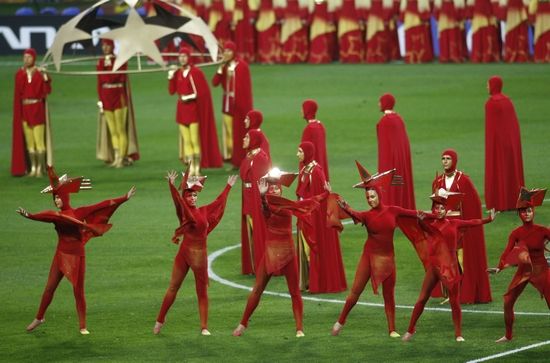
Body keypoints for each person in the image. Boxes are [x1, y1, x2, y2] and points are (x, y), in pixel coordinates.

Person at [20, 166, 135, 334]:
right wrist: (29, 215)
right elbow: (44, 216)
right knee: (49, 288)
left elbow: (101, 205)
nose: (56, 201)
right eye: (55, 198)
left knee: (78, 291)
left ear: (65, 198)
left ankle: (82, 326)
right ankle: (39, 317)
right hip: (60, 256)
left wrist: (124, 198)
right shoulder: (56, 215)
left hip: (77, 256)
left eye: (59, 197)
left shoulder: (79, 212)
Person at [331, 166, 424, 338]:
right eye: (367, 197)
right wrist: (341, 203)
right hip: (369, 256)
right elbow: (355, 214)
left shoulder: (393, 211)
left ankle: (392, 330)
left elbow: (415, 214)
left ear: (379, 195)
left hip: (387, 258)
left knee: (389, 294)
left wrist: (434, 215)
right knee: (355, 291)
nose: (370, 200)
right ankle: (340, 321)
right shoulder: (367, 215)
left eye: (372, 196)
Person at [233, 170, 320, 338]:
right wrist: (263, 197)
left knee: (294, 292)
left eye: (276, 188)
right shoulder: (266, 205)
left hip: (287, 253)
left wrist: (325, 195)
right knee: (257, 289)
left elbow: (303, 205)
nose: (273, 190)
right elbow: (266, 211)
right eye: (270, 188)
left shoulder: (286, 205)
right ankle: (242, 324)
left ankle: (299, 328)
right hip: (271, 253)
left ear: (281, 189)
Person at [402, 192, 495, 342]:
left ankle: (458, 334)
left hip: (450, 267)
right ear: (433, 210)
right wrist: (420, 222)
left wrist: (488, 219)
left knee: (454, 301)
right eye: (436, 208)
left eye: (441, 208)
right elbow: (424, 228)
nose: (439, 211)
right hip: (434, 267)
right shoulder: (430, 225)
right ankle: (410, 330)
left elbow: (472, 222)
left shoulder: (454, 223)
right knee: (422, 299)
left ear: (446, 210)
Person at [154, 169, 237, 336]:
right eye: (189, 196)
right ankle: (159, 321)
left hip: (200, 256)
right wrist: (171, 185)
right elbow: (177, 201)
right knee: (173, 287)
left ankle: (204, 327)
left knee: (202, 291)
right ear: (185, 198)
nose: (193, 198)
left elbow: (218, 203)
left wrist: (228, 186)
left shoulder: (204, 211)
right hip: (184, 254)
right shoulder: (184, 212)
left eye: (195, 196)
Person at [488, 188, 549, 343]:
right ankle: (508, 335)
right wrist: (499, 267)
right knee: (508, 302)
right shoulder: (516, 233)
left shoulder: (542, 230)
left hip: (541, 269)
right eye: (523, 211)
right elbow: (507, 252)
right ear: (519, 214)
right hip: (523, 271)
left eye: (529, 211)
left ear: (533, 211)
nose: (527, 214)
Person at [433, 149, 492, 304]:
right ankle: (451, 291)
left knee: (461, 259)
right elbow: (435, 207)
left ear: (454, 161)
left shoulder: (463, 180)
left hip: (460, 227)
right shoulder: (438, 181)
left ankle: (465, 290)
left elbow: (474, 204)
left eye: (448, 159)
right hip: (444, 228)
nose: (445, 161)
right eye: (443, 158)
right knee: (446, 260)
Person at [296, 141, 346, 293]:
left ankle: (316, 282)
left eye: (299, 151)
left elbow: (320, 199)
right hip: (303, 214)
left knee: (311, 248)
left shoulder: (316, 171)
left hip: (311, 218)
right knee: (304, 250)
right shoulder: (305, 168)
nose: (297, 154)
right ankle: (307, 282)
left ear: (307, 153)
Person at [168, 46, 223, 176]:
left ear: (189, 57)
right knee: (186, 140)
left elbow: (201, 93)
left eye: (184, 56)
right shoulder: (178, 73)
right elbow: (172, 91)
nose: (182, 59)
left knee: (194, 140)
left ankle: (197, 168)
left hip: (192, 110)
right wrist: (170, 77)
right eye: (180, 56)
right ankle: (191, 168)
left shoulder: (195, 72)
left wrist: (187, 97)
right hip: (181, 111)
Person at [96, 39, 139, 168]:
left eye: (107, 45)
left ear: (112, 46)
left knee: (120, 129)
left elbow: (117, 77)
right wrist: (100, 100)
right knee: (113, 130)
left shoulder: (120, 61)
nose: (105, 48)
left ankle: (122, 157)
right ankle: (116, 157)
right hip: (106, 97)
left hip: (118, 96)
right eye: (103, 45)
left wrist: (110, 66)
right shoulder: (101, 62)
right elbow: (100, 81)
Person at [484, 76, 524, 212]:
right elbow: (513, 124)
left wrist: (491, 148)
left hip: (498, 145)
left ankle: (499, 202)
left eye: (488, 84)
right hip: (511, 143)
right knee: (512, 170)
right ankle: (513, 201)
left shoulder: (491, 104)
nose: (487, 87)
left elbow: (492, 131)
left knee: (498, 170)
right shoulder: (508, 101)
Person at [11, 48, 53, 177]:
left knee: (39, 141)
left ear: (34, 59)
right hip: (25, 111)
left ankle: (41, 168)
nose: (26, 59)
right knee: (30, 143)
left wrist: (44, 75)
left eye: (29, 57)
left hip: (37, 109)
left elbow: (47, 90)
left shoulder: (39, 74)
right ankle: (33, 168)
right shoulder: (20, 74)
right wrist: (25, 73)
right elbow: (19, 90)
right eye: (25, 57)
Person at [212, 41, 253, 168]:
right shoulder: (224, 66)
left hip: (239, 104)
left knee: (239, 132)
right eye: (225, 51)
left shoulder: (242, 66)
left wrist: (242, 105)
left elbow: (244, 88)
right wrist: (220, 68)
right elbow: (214, 83)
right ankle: (230, 158)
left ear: (234, 52)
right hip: (227, 103)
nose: (226, 53)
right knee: (228, 132)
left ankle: (241, 159)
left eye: (229, 51)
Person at [376, 93, 415, 209]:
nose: (378, 104)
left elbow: (384, 148)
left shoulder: (384, 121)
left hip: (390, 162)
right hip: (401, 161)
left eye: (380, 101)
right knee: (400, 185)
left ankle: (390, 211)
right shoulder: (399, 119)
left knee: (390, 188)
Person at [240, 130, 271, 274]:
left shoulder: (261, 157)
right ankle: (253, 265)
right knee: (250, 231)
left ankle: (262, 265)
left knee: (258, 231)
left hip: (255, 199)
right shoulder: (249, 156)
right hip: (247, 198)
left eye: (246, 137)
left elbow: (261, 183)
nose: (243, 138)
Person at [300, 99, 329, 180]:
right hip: (320, 169)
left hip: (311, 172)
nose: (301, 111)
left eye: (303, 109)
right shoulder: (320, 125)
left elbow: (304, 154)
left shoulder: (309, 129)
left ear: (307, 110)